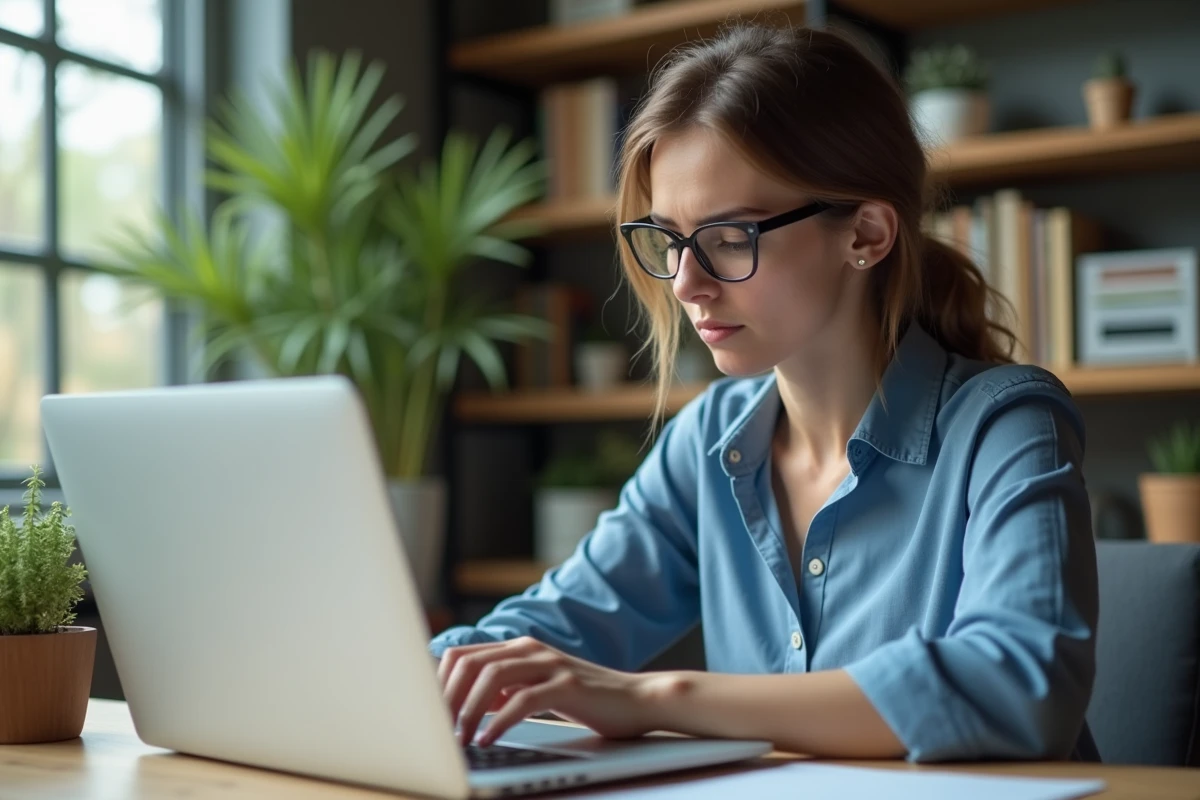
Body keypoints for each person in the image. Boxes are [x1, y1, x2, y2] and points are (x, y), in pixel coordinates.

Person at [429, 22, 1100, 763]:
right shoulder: (708, 439)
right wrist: (431, 672)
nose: (686, 283)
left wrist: (657, 698)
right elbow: (547, 628)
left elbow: (1022, 685)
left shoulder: (1006, 424)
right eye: (668, 239)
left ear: (866, 235)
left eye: (728, 236)